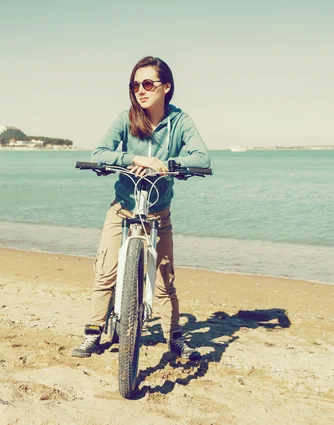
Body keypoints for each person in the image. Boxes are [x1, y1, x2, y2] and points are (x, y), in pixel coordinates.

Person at [72, 56, 210, 360]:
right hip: (122, 209)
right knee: (105, 274)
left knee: (164, 280)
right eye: (135, 85)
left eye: (148, 84)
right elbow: (100, 153)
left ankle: (174, 337)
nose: (140, 90)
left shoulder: (179, 121)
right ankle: (94, 332)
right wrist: (134, 159)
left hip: (159, 214)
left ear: (166, 87)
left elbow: (202, 158)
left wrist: (171, 165)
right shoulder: (126, 119)